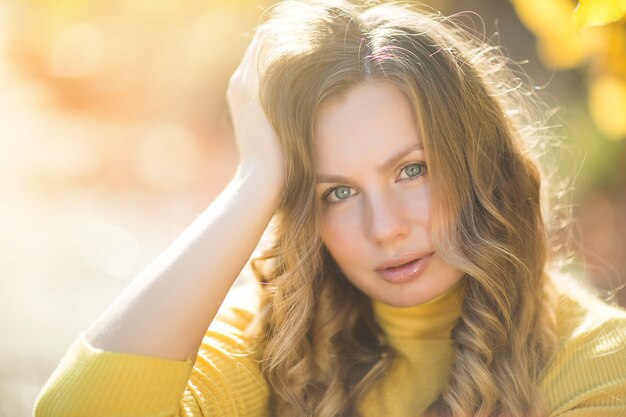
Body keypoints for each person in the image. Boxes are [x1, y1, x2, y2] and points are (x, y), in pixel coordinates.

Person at [34, 1, 626, 416]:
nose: (386, 228)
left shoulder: (601, 364)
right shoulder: (272, 343)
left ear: (481, 163)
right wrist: (256, 179)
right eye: (337, 192)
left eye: (411, 169)